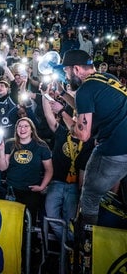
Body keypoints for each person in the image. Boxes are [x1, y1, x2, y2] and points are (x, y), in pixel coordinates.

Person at [58, 49, 127, 226]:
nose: (66, 76)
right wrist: (63, 95)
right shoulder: (108, 78)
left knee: (89, 193)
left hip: (117, 146)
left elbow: (83, 134)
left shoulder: (85, 90)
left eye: (66, 71)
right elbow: (89, 109)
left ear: (76, 69)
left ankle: (87, 239)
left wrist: (61, 113)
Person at [41, 88, 94, 242]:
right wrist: (45, 95)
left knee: (70, 220)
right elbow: (48, 116)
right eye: (75, 118)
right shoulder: (61, 133)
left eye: (78, 120)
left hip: (73, 187)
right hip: (56, 183)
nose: (76, 121)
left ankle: (69, 252)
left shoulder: (88, 142)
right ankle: (67, 244)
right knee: (51, 216)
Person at [0, 117, 53, 223]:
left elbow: (49, 169)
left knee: (29, 223)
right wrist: (1, 150)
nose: (22, 129)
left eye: (26, 126)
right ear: (16, 129)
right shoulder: (10, 144)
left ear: (32, 129)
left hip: (31, 192)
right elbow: (2, 167)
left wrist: (42, 187)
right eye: (20, 126)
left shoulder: (41, 146)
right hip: (12, 190)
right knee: (10, 222)